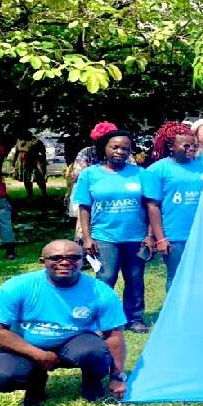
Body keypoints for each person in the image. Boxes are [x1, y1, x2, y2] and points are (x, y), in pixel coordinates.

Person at [0, 240, 127, 406]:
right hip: (28, 346)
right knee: (1, 377)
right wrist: (39, 355)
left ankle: (91, 382)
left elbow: (114, 335)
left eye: (73, 257)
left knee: (95, 352)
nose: (65, 262)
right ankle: (36, 382)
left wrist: (117, 378)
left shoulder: (100, 291)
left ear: (83, 260)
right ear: (42, 261)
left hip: (74, 344)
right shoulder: (16, 286)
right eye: (56, 258)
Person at [73, 130, 160, 334]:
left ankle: (134, 318)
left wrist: (149, 235)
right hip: (104, 237)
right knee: (106, 278)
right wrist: (87, 238)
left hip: (136, 237)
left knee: (135, 279)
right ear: (105, 148)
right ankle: (102, 320)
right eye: (115, 147)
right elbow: (84, 208)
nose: (120, 151)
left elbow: (150, 207)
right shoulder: (90, 175)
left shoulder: (141, 174)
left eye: (125, 148)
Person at [144, 122, 203, 292]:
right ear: (171, 146)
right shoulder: (157, 170)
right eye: (186, 145)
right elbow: (152, 207)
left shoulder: (202, 166)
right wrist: (161, 238)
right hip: (175, 234)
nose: (191, 149)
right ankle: (174, 317)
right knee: (177, 276)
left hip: (202, 232)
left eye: (194, 145)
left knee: (201, 276)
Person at [13, 131, 49, 198]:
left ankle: (44, 193)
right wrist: (14, 162)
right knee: (26, 179)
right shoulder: (19, 142)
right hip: (22, 163)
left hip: (33, 163)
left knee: (39, 179)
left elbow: (43, 152)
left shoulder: (36, 142)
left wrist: (42, 162)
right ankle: (30, 194)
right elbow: (16, 152)